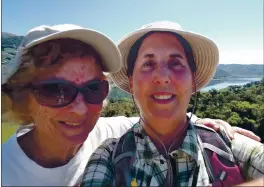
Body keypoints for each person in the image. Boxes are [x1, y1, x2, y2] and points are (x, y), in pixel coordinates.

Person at [1, 24, 260, 186]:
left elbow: (160, 118)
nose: (80, 109)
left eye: (94, 89)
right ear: (23, 95)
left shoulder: (108, 131)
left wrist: (208, 126)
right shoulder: (108, 156)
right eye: (56, 91)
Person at [80, 21, 264, 187]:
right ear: (131, 82)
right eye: (148, 64)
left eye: (176, 63)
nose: (162, 77)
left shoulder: (225, 146)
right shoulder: (109, 157)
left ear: (192, 80)